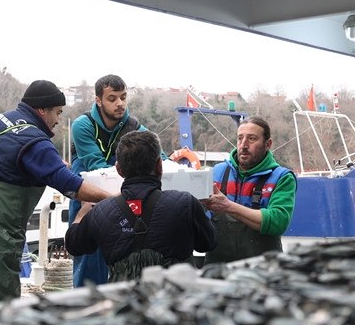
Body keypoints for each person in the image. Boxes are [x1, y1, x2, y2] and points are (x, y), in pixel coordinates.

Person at [0, 80, 112, 306]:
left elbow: (6, 159)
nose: (57, 120)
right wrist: (113, 198)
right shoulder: (35, 141)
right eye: (57, 112)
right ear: (42, 110)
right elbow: (71, 185)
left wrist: (55, 165)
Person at [66, 131, 216, 282]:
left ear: (118, 169)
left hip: (126, 302)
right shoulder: (186, 203)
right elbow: (208, 243)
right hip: (175, 300)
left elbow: (73, 245)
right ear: (159, 166)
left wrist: (81, 214)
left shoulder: (100, 212)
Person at [68, 74, 149, 287]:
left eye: (123, 97)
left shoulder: (135, 126)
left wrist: (174, 162)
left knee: (125, 264)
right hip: (88, 202)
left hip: (123, 201)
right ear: (98, 100)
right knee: (88, 264)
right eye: (112, 98)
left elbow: (155, 154)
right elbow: (96, 165)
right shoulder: (82, 126)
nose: (120, 103)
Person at [201, 116, 297, 264]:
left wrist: (228, 207)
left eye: (252, 139)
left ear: (267, 144)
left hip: (264, 270)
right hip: (218, 269)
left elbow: (278, 221)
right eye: (240, 138)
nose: (243, 145)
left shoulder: (282, 177)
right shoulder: (217, 172)